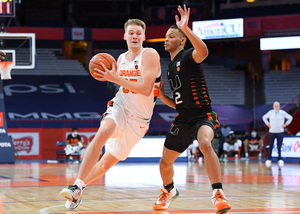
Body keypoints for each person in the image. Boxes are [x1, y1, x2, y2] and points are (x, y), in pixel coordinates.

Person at [59, 18, 161, 210]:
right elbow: (123, 86)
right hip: (120, 105)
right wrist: (114, 78)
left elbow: (146, 89)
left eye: (138, 33)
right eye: (131, 33)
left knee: (105, 164)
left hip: (139, 119)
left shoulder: (150, 54)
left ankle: (80, 190)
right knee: (103, 131)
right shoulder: (120, 59)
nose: (135, 36)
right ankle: (76, 186)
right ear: (124, 36)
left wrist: (115, 78)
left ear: (144, 36)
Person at [153, 5, 231, 214]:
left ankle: (218, 194)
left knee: (205, 142)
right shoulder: (169, 67)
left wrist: (185, 28)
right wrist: (161, 97)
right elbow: (178, 103)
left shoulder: (188, 56)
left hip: (202, 115)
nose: (166, 39)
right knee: (164, 163)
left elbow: (203, 51)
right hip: (183, 118)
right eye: (165, 36)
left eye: (171, 36)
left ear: (182, 40)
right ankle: (169, 190)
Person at [262, 101, 293, 168]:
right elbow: (264, 117)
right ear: (273, 106)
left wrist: (286, 124)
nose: (276, 107)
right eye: (275, 106)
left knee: (279, 146)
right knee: (271, 146)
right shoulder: (270, 112)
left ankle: (280, 159)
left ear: (279, 106)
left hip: (280, 132)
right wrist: (268, 124)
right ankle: (269, 159)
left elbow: (290, 117)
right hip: (272, 132)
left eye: (277, 106)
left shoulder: (282, 112)